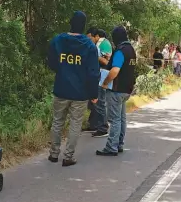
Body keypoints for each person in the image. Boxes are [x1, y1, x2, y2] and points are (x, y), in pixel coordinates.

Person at [47, 11, 100, 166]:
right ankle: (68, 156)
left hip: (61, 88)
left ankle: (53, 154)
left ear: (70, 23)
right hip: (80, 93)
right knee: (75, 124)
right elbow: (93, 73)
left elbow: (51, 61)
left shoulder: (58, 40)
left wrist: (61, 70)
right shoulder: (89, 45)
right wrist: (93, 93)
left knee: (57, 121)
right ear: (84, 26)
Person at [97, 26, 137, 156]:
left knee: (114, 120)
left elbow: (115, 70)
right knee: (121, 119)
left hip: (116, 90)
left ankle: (111, 147)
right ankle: (119, 144)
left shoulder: (120, 51)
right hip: (127, 90)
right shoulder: (131, 50)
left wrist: (105, 83)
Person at [85, 28, 112, 135]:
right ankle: (94, 124)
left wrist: (93, 55)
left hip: (101, 76)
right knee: (93, 102)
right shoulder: (101, 44)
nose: (89, 40)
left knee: (100, 102)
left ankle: (102, 127)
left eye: (90, 38)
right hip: (97, 76)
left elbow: (106, 61)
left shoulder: (102, 44)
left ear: (95, 36)